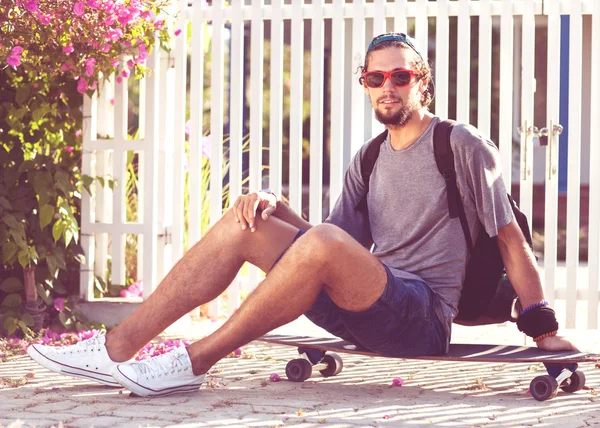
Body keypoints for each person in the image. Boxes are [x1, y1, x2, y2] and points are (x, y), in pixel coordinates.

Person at [26, 32, 577, 397]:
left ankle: (191, 363)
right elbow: (326, 244)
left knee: (320, 240)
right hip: (364, 304)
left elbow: (510, 240)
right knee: (247, 219)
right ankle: (116, 345)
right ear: (364, 84)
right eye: (376, 78)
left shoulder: (460, 143)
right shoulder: (368, 157)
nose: (388, 87)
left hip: (421, 316)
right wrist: (275, 205)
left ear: (421, 81)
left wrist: (543, 330)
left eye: (401, 77)